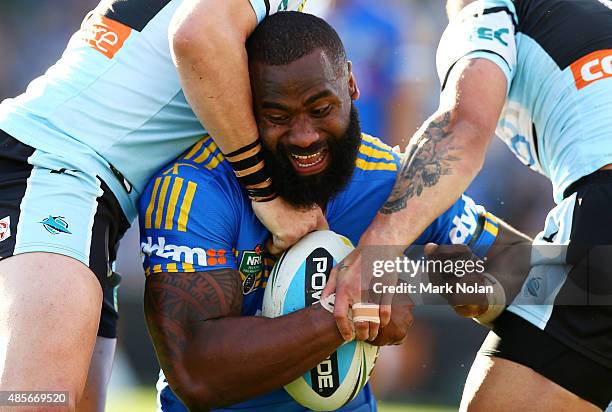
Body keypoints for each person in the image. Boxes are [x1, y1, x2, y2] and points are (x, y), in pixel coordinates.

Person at [138, 11, 521, 411]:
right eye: (277, 117)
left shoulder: (391, 180)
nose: (304, 136)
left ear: (351, 84)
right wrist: (356, 310)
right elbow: (196, 374)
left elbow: (555, 279)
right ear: (246, 107)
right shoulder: (194, 189)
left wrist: (438, 279)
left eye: (321, 109)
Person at [0, 1, 319, 410]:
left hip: (75, 186)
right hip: (54, 170)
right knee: (37, 402)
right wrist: (265, 193)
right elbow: (195, 35)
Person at [327, 0, 612, 410]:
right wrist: (495, 293)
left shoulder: (490, 7)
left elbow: (463, 128)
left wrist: (377, 250)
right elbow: (591, 278)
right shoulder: (588, 19)